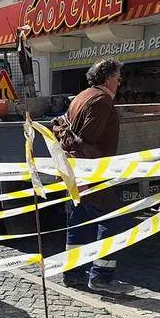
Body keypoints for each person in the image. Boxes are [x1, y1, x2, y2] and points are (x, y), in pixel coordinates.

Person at [51, 59, 133, 294]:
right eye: (118, 78)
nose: (120, 83)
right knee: (112, 222)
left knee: (78, 223)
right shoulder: (102, 101)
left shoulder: (81, 97)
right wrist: (90, 176)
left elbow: (71, 135)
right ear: (107, 78)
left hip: (76, 174)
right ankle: (102, 277)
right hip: (93, 175)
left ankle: (72, 273)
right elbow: (86, 141)